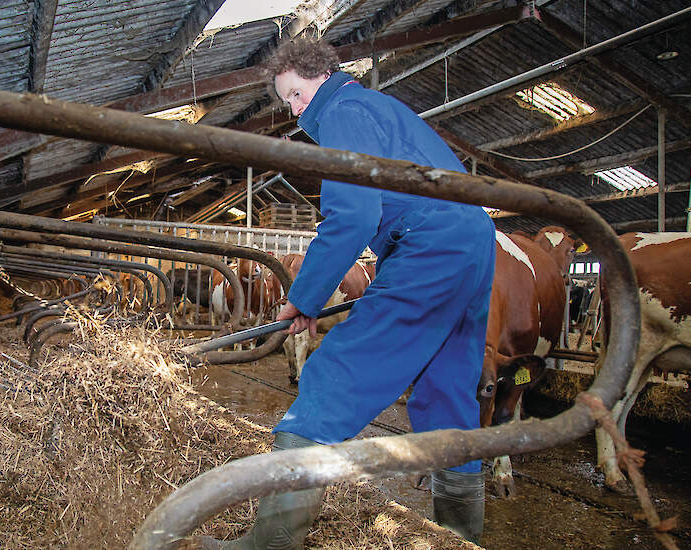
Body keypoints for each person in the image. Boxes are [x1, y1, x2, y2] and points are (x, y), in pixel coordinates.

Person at [199, 38, 495, 549]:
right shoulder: (381, 109)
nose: (293, 110)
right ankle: (460, 538)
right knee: (446, 392)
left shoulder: (344, 109)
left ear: (319, 75)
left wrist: (305, 298)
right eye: (286, 100)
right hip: (472, 242)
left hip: (429, 244)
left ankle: (272, 543)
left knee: (332, 375)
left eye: (293, 94)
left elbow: (355, 214)